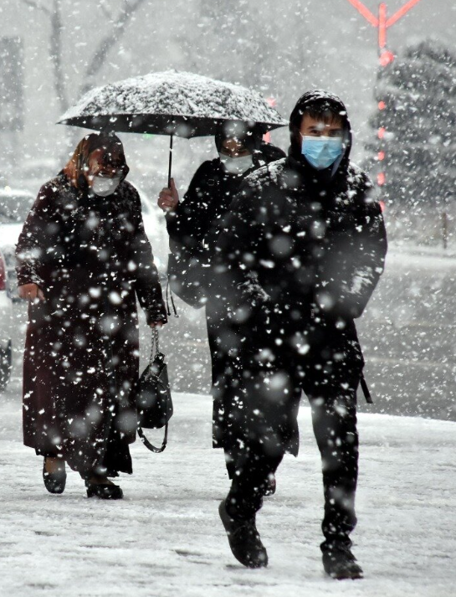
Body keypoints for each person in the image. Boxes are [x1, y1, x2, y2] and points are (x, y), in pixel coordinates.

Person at [211, 90, 387, 579]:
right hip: (271, 337)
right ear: (296, 134)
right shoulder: (262, 185)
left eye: (332, 132)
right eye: (314, 131)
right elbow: (229, 256)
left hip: (332, 337)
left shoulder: (356, 188)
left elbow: (370, 256)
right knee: (268, 441)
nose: (323, 140)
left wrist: (344, 302)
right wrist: (258, 306)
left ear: (345, 136)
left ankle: (338, 542)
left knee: (340, 446)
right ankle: (240, 508)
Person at [16, 132, 167, 500]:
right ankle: (54, 450)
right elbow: (30, 241)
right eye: (102, 166)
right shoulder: (55, 193)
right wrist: (29, 278)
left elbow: (139, 250)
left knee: (110, 389)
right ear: (84, 162)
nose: (108, 174)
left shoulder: (127, 196)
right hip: (62, 310)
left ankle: (97, 471)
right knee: (63, 389)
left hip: (113, 309)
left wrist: (152, 302)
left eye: (116, 168)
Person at [157, 123, 285, 491]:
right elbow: (188, 235)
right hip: (224, 297)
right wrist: (173, 211)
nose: (231, 148)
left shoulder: (275, 170)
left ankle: (264, 459)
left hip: (270, 297)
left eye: (238, 141)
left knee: (269, 381)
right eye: (225, 142)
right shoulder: (210, 174)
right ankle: (238, 459)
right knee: (230, 380)